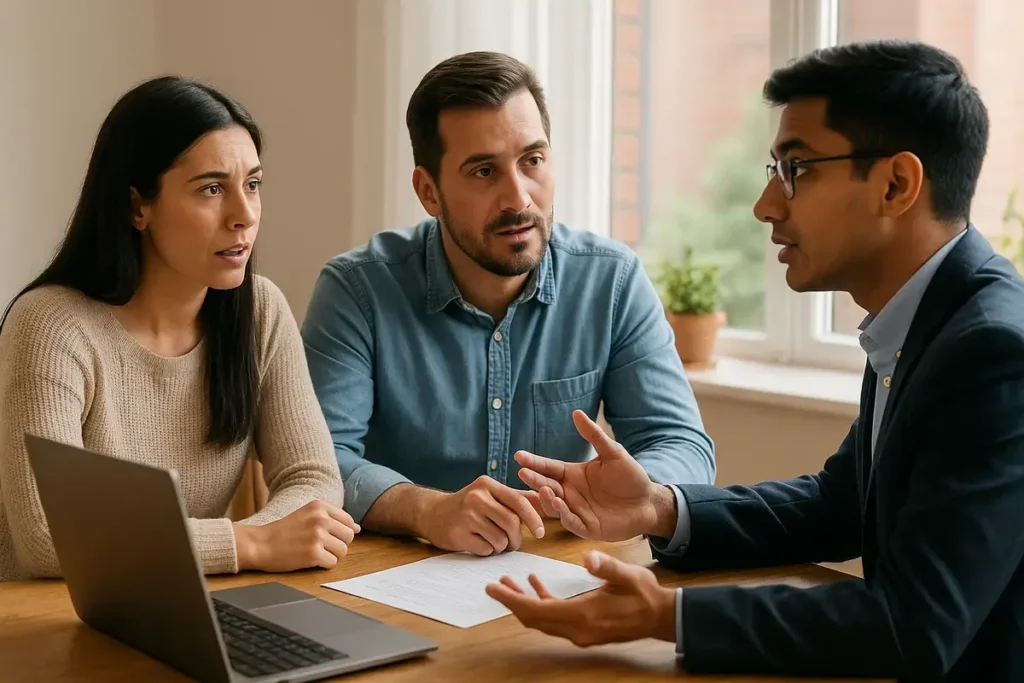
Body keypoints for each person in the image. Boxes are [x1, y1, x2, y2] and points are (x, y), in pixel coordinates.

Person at [486, 39, 1024, 682]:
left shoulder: (992, 352)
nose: (766, 205)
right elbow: (839, 505)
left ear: (897, 184)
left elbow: (912, 625)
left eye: (795, 169)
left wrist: (667, 616)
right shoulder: (929, 318)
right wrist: (659, 507)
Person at [301, 51, 715, 558]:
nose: (518, 198)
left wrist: (637, 493)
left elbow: (684, 446)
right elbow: (319, 464)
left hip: (557, 570)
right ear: (429, 191)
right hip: (396, 574)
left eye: (532, 161)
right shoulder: (358, 290)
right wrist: (428, 510)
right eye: (483, 171)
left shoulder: (610, 279)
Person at [0, 76, 359, 583]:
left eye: (252, 185)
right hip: (42, 624)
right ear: (137, 206)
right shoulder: (51, 326)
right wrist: (249, 542)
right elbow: (48, 535)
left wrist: (247, 546)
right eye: (212, 188)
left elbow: (314, 478)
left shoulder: (259, 312)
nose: (244, 215)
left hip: (181, 602)